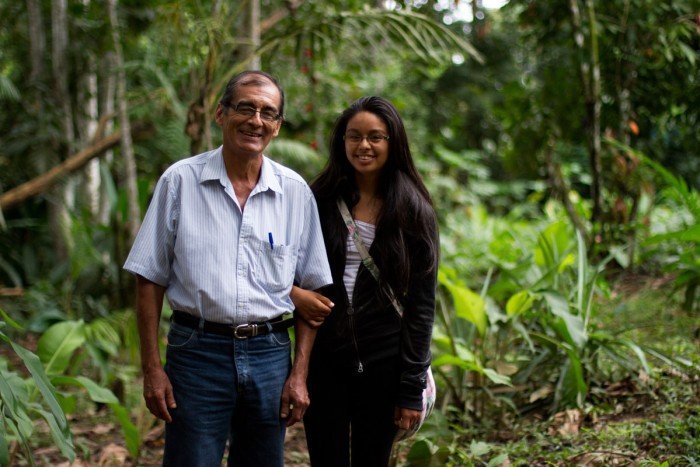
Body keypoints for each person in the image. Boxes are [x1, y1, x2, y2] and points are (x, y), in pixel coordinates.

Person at [123, 70, 333, 467]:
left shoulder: (295, 193)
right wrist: (151, 368)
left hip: (270, 352)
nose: (256, 120)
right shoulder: (180, 182)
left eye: (268, 113)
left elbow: (312, 292)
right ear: (221, 114)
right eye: (245, 108)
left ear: (277, 126)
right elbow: (148, 277)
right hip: (196, 351)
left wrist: (300, 372)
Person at [291, 96, 439, 466]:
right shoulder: (319, 199)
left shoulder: (413, 210)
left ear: (394, 142)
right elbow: (284, 266)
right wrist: (293, 295)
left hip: (385, 364)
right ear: (342, 142)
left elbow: (421, 306)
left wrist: (410, 389)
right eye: (354, 136)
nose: (364, 146)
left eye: (376, 137)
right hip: (326, 359)